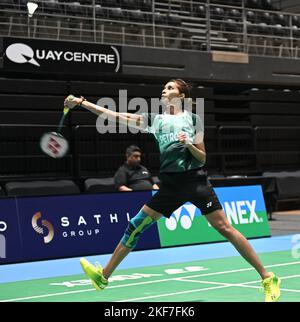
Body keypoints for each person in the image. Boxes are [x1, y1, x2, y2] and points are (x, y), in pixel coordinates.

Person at [64, 79, 281, 302]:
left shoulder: (193, 120)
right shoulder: (157, 120)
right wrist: (84, 103)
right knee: (135, 226)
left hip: (195, 183)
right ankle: (103, 276)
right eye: (165, 87)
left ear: (181, 96)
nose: (164, 90)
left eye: (170, 88)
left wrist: (189, 144)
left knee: (225, 228)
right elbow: (119, 116)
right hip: (170, 187)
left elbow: (203, 158)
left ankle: (267, 277)